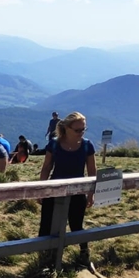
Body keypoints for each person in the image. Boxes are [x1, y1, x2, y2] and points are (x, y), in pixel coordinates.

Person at [38, 111, 97, 265]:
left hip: (78, 191)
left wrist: (91, 193)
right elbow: (46, 168)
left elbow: (92, 171)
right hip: (53, 189)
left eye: (84, 129)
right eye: (78, 130)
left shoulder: (87, 145)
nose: (81, 133)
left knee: (77, 224)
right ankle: (44, 257)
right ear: (66, 129)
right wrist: (41, 190)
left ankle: (84, 253)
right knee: (46, 223)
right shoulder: (54, 144)